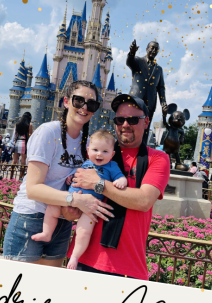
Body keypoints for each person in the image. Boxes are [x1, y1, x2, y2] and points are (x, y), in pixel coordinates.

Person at [2, 80, 113, 267]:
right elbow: (33, 189)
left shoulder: (89, 145)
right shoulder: (48, 132)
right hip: (31, 217)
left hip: (62, 221)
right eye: (79, 101)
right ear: (66, 102)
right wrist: (77, 200)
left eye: (91, 104)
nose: (84, 107)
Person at [68, 93, 171, 280]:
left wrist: (98, 183)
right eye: (120, 119)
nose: (125, 124)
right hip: (83, 260)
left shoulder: (157, 158)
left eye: (132, 119)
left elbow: (143, 200)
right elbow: (71, 202)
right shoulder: (97, 153)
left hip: (128, 268)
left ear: (146, 122)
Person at [33, 130, 127, 271]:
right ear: (88, 150)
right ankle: (47, 233)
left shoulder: (111, 166)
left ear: (112, 154)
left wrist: (121, 181)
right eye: (95, 150)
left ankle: (75, 256)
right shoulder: (86, 163)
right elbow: (75, 174)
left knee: (84, 231)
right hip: (71, 200)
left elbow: (121, 177)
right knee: (52, 207)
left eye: (105, 151)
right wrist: (70, 178)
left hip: (89, 207)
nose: (99, 154)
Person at [127, 40, 168, 140]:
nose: (153, 50)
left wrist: (163, 102)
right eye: (152, 47)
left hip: (150, 103)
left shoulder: (159, 69)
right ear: (147, 48)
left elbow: (161, 87)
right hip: (136, 99)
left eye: (156, 49)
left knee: (145, 128)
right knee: (130, 124)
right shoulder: (138, 61)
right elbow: (129, 62)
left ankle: (142, 152)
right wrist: (132, 53)